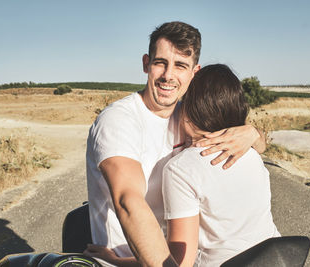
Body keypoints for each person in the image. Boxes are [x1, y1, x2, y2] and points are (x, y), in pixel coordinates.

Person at [85, 21, 266, 266]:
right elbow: (129, 202)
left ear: (194, 72)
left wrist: (252, 133)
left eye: (180, 65)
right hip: (127, 257)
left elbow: (258, 146)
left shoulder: (190, 117)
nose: (168, 75)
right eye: (161, 63)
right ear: (146, 64)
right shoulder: (118, 121)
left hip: (178, 257)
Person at [162, 64, 280, 266]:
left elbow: (182, 260)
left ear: (190, 111)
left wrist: (119, 260)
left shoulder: (180, 169)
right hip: (274, 258)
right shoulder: (250, 153)